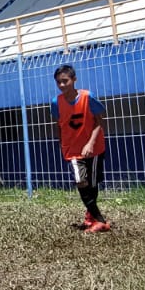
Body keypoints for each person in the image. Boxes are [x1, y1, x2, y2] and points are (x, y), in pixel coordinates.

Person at [54, 63, 109, 233]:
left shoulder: (87, 97)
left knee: (92, 184)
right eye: (59, 82)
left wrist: (90, 143)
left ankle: (91, 217)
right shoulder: (56, 102)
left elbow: (99, 122)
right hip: (72, 150)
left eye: (65, 81)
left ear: (74, 79)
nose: (62, 85)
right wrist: (60, 141)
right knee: (80, 181)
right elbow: (58, 124)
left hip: (94, 148)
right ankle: (100, 220)